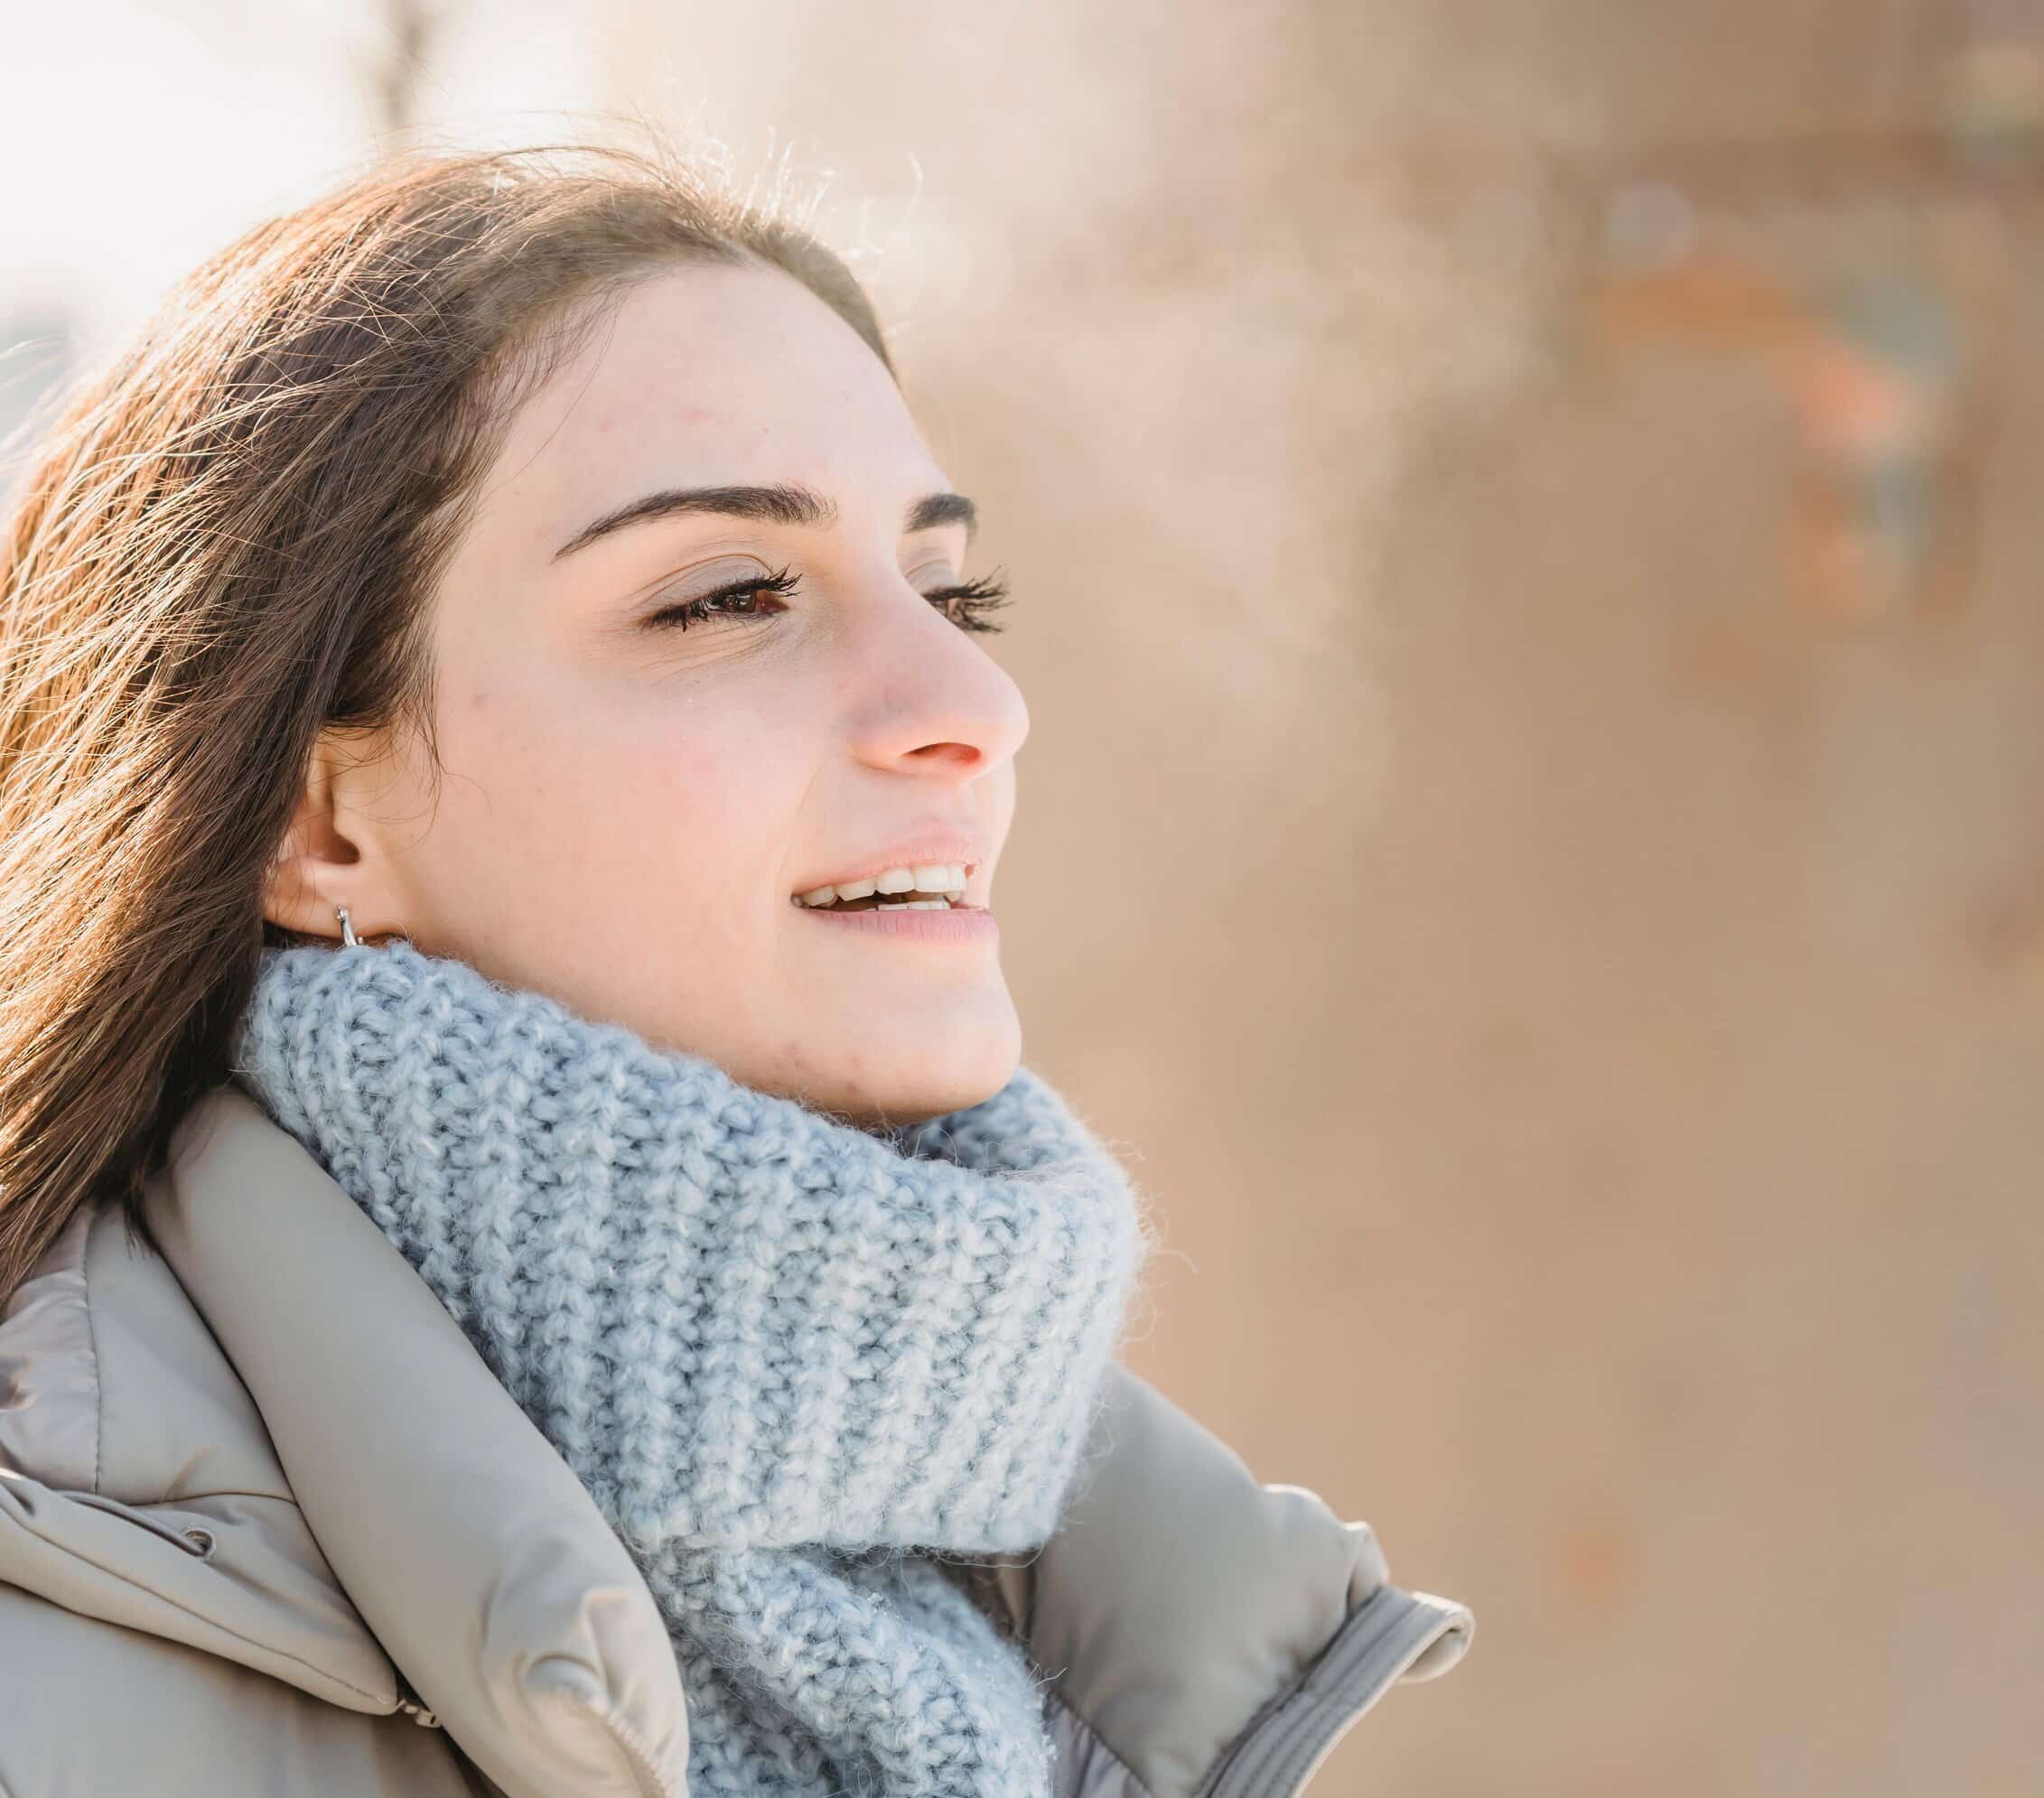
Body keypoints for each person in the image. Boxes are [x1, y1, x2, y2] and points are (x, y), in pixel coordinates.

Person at [0, 142, 1472, 1796]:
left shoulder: (1111, 1639)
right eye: (731, 595)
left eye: (949, 588)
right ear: (319, 818)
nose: (976, 709)